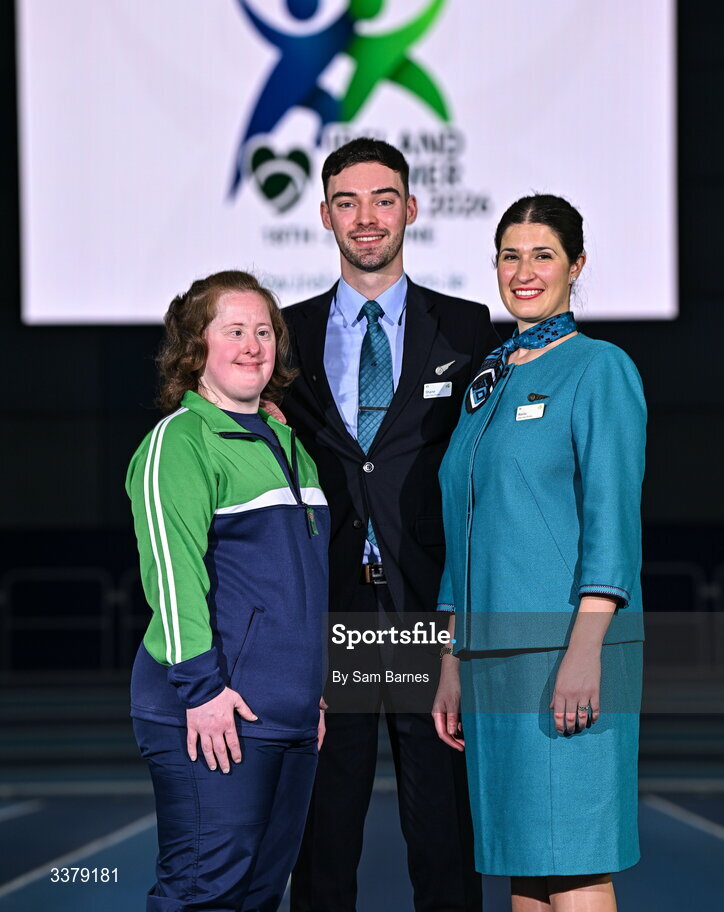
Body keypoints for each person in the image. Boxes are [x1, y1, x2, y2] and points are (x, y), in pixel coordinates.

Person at [282, 138, 497, 912]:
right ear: (324, 215)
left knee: (442, 842)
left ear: (410, 208)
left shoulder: (470, 329)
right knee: (322, 844)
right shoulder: (284, 337)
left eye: (381, 200)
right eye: (347, 201)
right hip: (328, 615)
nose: (365, 218)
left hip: (424, 615)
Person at [433, 195, 646, 912]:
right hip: (492, 661)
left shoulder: (598, 368)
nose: (523, 272)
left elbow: (610, 523)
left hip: (565, 651)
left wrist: (584, 650)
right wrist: (450, 659)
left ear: (575, 265)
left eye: (542, 254)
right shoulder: (486, 383)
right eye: (509, 254)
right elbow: (462, 526)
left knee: (575, 862)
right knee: (525, 865)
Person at [126, 270, 329, 912]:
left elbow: (298, 586)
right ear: (197, 348)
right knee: (203, 897)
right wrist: (204, 691)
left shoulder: (288, 443)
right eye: (234, 330)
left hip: (289, 714)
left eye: (264, 331)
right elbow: (172, 572)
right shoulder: (179, 443)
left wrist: (312, 690)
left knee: (260, 897)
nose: (252, 345)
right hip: (214, 714)